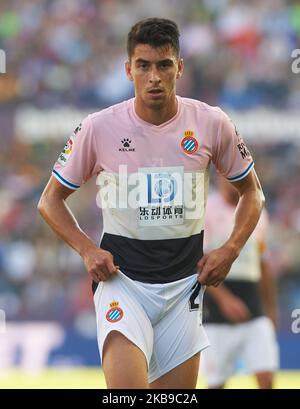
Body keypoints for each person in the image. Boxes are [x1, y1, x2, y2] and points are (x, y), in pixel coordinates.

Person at [38, 17, 265, 389]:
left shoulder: (212, 123)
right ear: (129, 69)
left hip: (184, 286)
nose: (154, 76)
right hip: (122, 282)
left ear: (180, 68)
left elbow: (252, 192)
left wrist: (231, 249)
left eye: (164, 65)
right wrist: (86, 250)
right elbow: (50, 201)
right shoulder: (98, 127)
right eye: (143, 65)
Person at [201, 176, 279, 389]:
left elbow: (262, 263)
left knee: (267, 377)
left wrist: (270, 308)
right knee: (216, 383)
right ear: (219, 177)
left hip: (253, 307)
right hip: (216, 310)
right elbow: (199, 262)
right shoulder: (206, 210)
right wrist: (226, 300)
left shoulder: (258, 212)